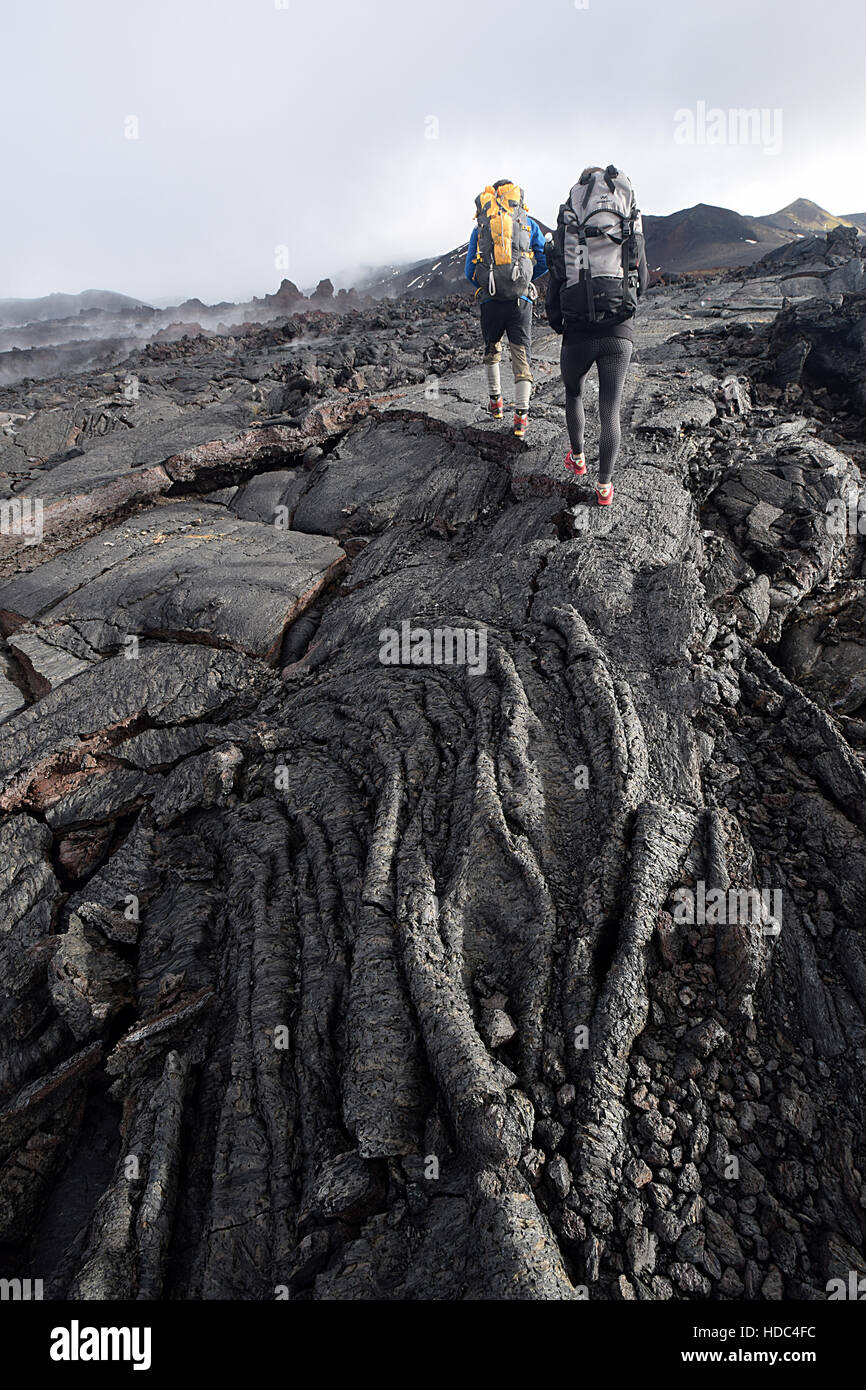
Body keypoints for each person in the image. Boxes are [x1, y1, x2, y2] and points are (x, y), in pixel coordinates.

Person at [545, 165, 648, 505]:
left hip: (577, 332)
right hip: (619, 330)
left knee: (574, 394)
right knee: (610, 409)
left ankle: (577, 460)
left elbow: (559, 275)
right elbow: (642, 278)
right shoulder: (626, 218)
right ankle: (604, 488)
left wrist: (558, 321)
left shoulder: (571, 223)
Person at [465, 181, 548, 438]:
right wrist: (525, 279)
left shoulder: (482, 226)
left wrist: (488, 285)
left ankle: (496, 404)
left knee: (492, 351)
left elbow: (470, 270)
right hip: (521, 302)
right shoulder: (527, 223)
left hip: (491, 301)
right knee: (521, 357)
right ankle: (521, 419)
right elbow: (544, 259)